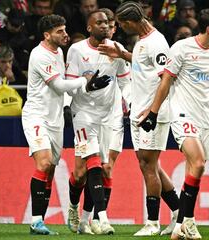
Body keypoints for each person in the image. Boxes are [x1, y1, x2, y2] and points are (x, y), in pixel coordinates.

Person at [137, 8, 209, 240]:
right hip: (182, 114)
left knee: (194, 169)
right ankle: (186, 221)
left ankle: (182, 226)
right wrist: (153, 113)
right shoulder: (181, 48)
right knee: (198, 163)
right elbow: (166, 81)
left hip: (206, 118)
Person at [21, 14, 111, 235]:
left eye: (64, 29)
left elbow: (67, 88)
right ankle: (35, 221)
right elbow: (60, 86)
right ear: (47, 35)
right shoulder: (39, 55)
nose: (65, 34)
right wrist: (86, 81)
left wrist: (86, 88)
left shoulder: (59, 52)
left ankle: (39, 221)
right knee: (42, 164)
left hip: (55, 120)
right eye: (59, 31)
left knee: (50, 169)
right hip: (36, 117)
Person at [115, 1, 181, 236]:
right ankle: (178, 213)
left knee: (148, 166)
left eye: (122, 24)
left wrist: (153, 111)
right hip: (139, 111)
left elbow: (166, 78)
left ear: (132, 21)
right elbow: (145, 66)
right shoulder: (144, 42)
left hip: (152, 113)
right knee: (150, 165)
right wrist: (123, 55)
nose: (122, 28)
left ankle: (153, 222)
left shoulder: (157, 42)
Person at [65, 9, 130, 235]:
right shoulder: (77, 50)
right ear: (89, 28)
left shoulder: (117, 50)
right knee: (89, 164)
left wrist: (130, 105)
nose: (105, 26)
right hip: (83, 113)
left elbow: (125, 82)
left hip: (109, 116)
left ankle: (85, 219)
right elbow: (70, 83)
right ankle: (97, 217)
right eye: (99, 23)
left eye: (107, 23)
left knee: (100, 169)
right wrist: (86, 86)